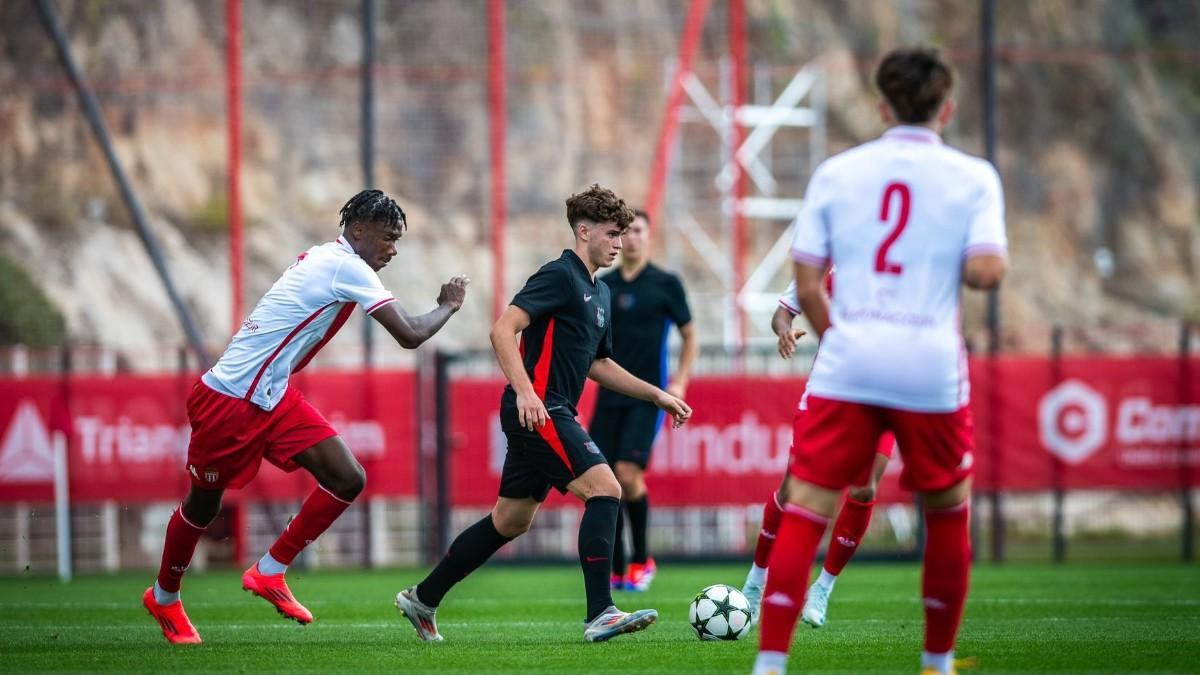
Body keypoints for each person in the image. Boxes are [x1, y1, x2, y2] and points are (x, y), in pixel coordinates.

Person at [751, 47, 1007, 675]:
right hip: (929, 366)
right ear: (947, 108)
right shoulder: (973, 177)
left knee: (806, 504)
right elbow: (987, 271)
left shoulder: (838, 174)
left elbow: (806, 285)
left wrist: (841, 340)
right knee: (946, 514)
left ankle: (770, 664)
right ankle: (937, 662)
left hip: (851, 363)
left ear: (883, 107)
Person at [142, 190, 470, 644]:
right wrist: (449, 304)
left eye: (397, 240)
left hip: (270, 396)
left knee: (347, 478)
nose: (393, 249)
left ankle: (269, 570)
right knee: (204, 505)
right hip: (229, 399)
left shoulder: (329, 257)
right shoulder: (347, 266)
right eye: (388, 238)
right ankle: (164, 596)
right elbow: (410, 334)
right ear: (358, 231)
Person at [394, 184, 692, 643]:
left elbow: (598, 364)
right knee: (607, 488)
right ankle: (601, 612)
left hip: (548, 410)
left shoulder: (600, 292)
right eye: (612, 233)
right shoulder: (560, 275)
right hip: (540, 409)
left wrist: (657, 395)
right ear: (584, 231)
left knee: (510, 520)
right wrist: (526, 392)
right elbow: (502, 329)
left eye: (623, 233)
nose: (619, 242)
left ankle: (423, 597)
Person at [741, 278, 897, 629]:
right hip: (828, 391)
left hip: (885, 392)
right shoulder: (828, 263)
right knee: (794, 490)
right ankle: (756, 580)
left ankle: (823, 587)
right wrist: (784, 331)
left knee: (864, 489)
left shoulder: (903, 266)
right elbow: (783, 313)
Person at [589, 208, 697, 592]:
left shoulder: (665, 283)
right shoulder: (604, 284)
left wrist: (679, 382)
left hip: (648, 398)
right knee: (603, 479)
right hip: (609, 397)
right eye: (624, 231)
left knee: (627, 474)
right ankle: (616, 568)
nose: (630, 238)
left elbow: (690, 335)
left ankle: (641, 559)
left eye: (637, 230)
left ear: (649, 235)